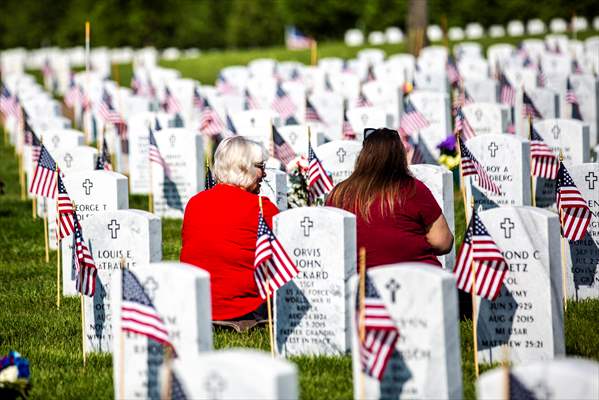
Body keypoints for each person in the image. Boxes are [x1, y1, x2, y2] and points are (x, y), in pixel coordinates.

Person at [180, 136, 278, 322]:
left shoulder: (195, 203)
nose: (264, 174)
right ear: (244, 167)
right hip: (244, 308)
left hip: (198, 303)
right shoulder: (261, 208)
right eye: (261, 167)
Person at [326, 128, 453, 269]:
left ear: (363, 155)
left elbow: (330, 244)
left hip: (362, 282)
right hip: (417, 279)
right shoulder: (413, 189)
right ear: (399, 156)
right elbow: (443, 241)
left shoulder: (338, 194)